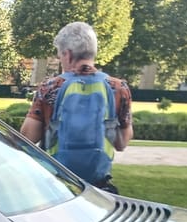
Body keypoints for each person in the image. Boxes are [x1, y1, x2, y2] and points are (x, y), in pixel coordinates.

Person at [21, 21, 133, 192]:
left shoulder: (50, 87)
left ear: (68, 54)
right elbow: (121, 143)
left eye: (59, 55)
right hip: (98, 188)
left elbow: (28, 137)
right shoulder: (118, 88)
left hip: (57, 186)